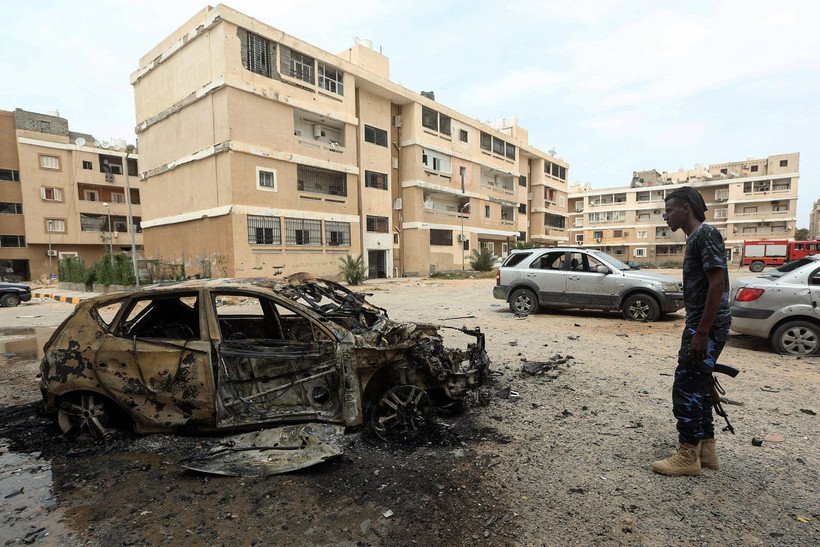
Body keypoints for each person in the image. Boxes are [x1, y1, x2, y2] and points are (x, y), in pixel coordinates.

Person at [652, 186, 731, 476]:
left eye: (669, 210)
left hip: (706, 327)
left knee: (685, 388)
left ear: (686, 208)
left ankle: (687, 454)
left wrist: (701, 332)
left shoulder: (705, 234)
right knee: (700, 385)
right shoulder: (696, 238)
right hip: (704, 325)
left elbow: (717, 283)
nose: (666, 216)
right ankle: (706, 451)